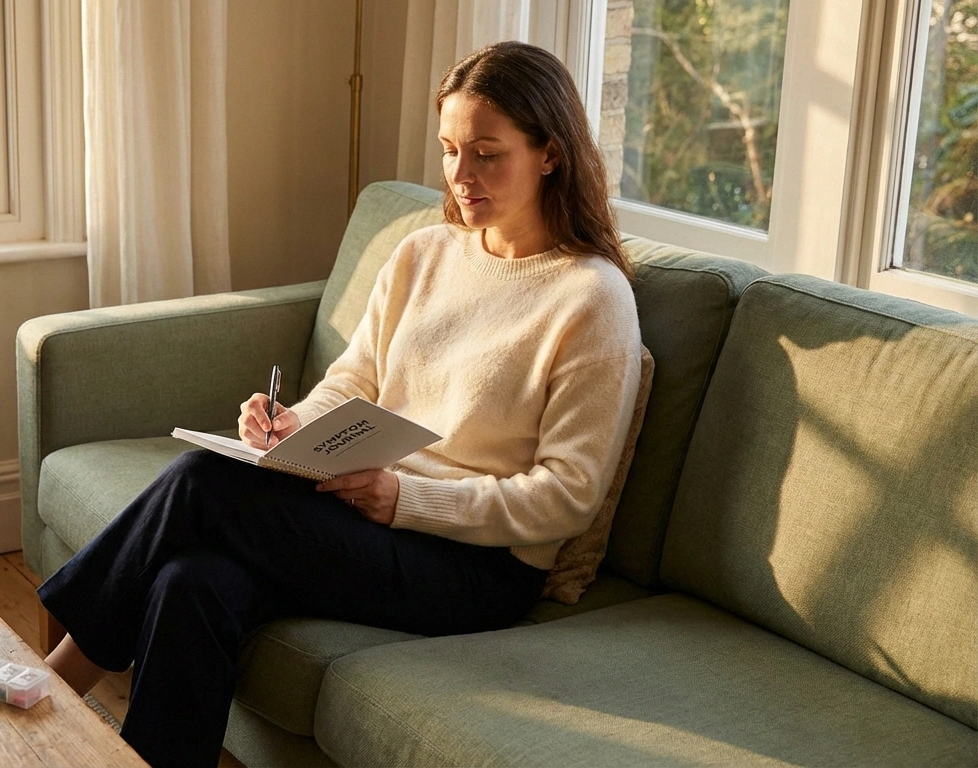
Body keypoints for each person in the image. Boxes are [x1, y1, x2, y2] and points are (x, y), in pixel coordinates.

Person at [37, 41, 643, 768]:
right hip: (370, 516)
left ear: (550, 153)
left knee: (201, 481)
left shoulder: (591, 298)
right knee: (189, 581)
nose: (460, 175)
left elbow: (568, 498)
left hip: (478, 567)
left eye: (487, 153)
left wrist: (405, 500)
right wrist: (294, 424)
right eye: (450, 150)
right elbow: (353, 382)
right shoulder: (427, 252)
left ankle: (51, 686)